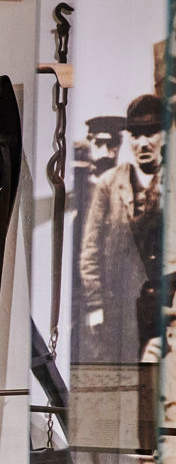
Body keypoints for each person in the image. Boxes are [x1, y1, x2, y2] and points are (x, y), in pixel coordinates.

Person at [80, 94, 166, 363]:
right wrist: (95, 306)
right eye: (136, 134)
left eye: (151, 132)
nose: (142, 143)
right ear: (128, 136)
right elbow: (91, 249)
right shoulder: (109, 183)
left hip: (162, 310)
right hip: (117, 307)